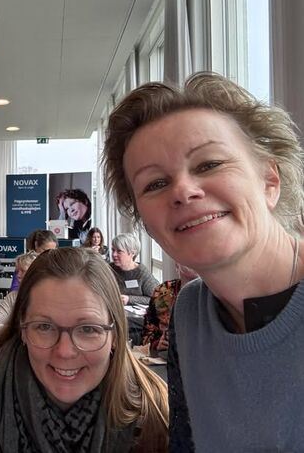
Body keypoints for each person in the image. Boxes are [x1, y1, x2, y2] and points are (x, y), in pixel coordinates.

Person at [103, 72, 304, 451]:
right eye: (155, 184)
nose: (182, 190)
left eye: (209, 164)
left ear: (269, 180)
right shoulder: (189, 313)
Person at [0, 248, 168, 452]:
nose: (65, 352)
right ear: (22, 330)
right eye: (44, 327)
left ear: (115, 334)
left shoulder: (154, 411)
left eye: (87, 329)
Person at [141, 264, 199, 355]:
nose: (192, 262)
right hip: (165, 356)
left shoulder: (214, 293)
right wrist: (157, 344)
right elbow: (147, 332)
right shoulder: (163, 291)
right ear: (177, 264)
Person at [0, 251, 37, 339]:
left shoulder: (47, 299)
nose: (18, 275)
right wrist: (18, 332)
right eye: (17, 271)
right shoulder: (13, 297)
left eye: (23, 271)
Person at [110, 233, 159, 306]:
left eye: (119, 251)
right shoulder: (109, 269)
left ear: (132, 253)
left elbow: (156, 298)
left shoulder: (142, 273)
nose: (114, 254)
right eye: (113, 250)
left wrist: (129, 299)